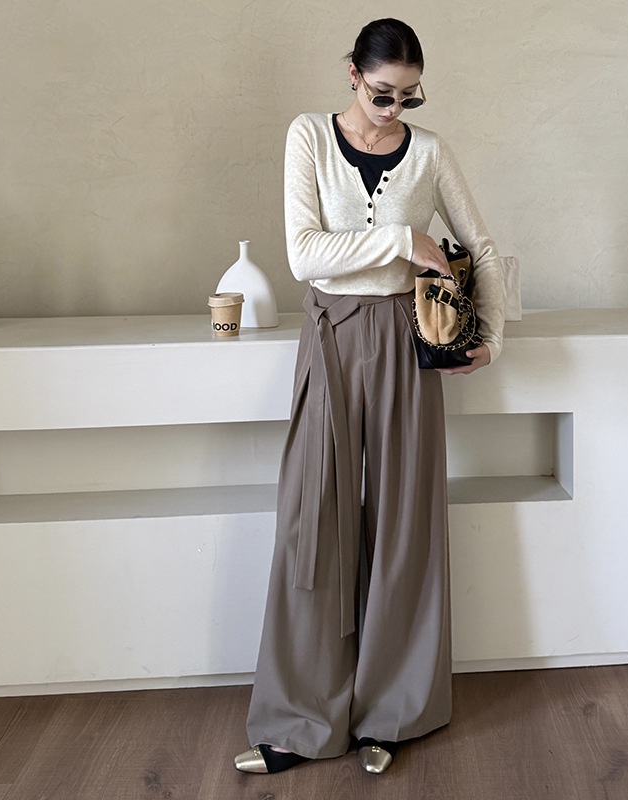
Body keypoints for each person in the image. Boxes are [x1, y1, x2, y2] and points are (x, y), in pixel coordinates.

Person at [234, 17, 505, 776]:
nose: (394, 109)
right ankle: (299, 720)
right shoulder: (308, 137)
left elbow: (482, 247)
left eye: (409, 97)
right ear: (353, 74)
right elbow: (304, 253)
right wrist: (402, 239)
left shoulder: (431, 152)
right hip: (330, 334)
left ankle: (391, 713)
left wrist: (492, 338)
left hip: (405, 340)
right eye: (383, 93)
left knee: (402, 523)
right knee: (312, 518)